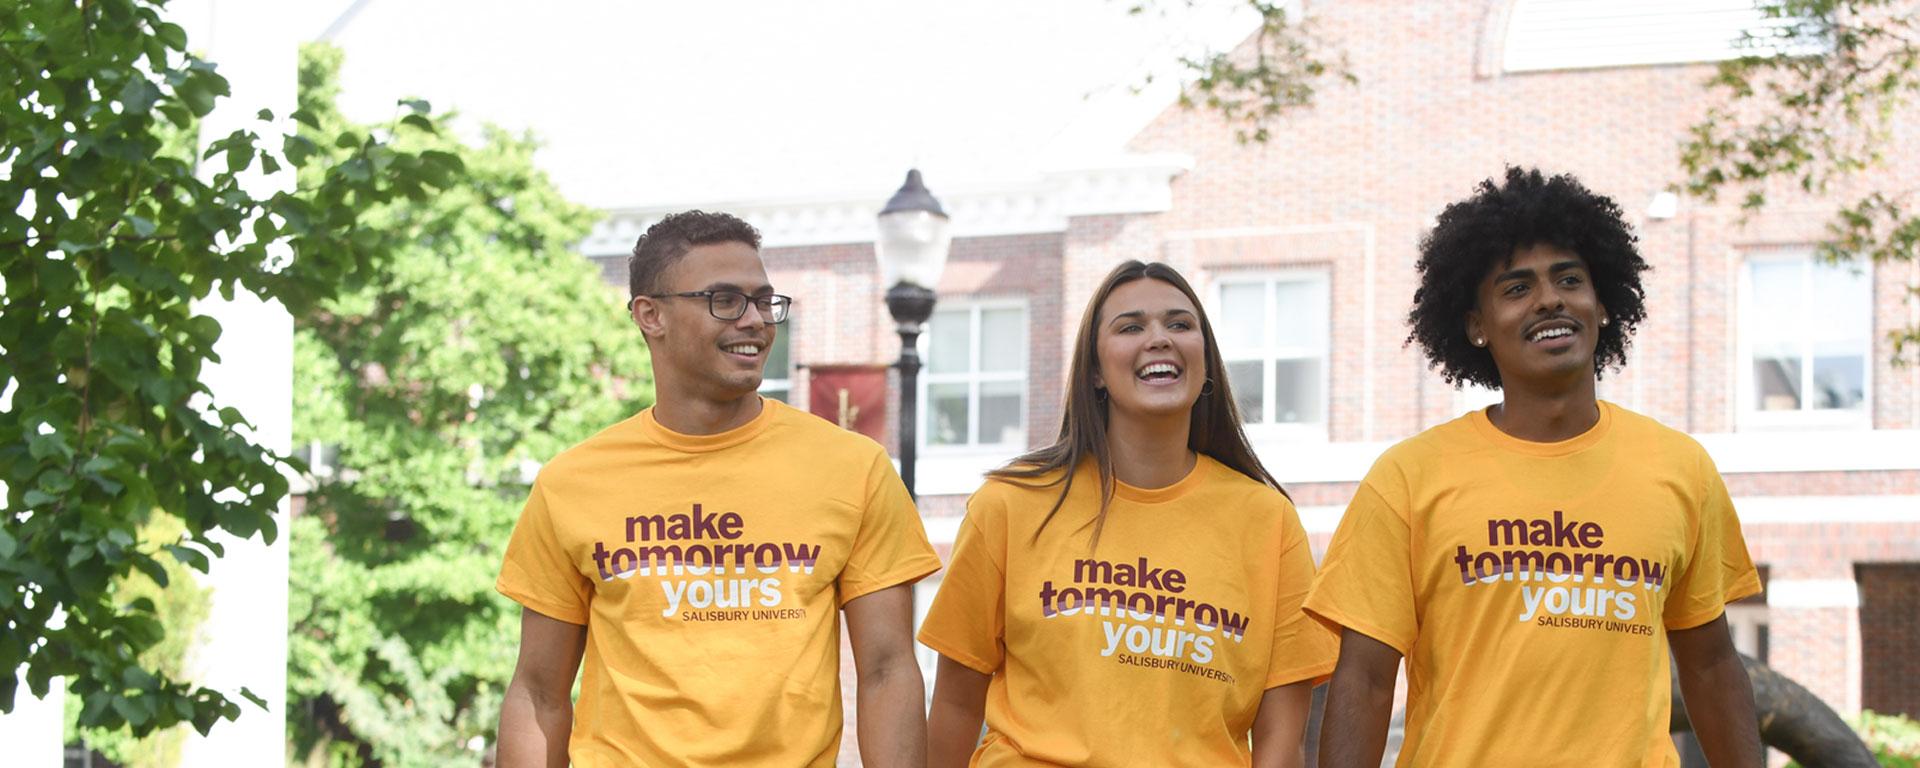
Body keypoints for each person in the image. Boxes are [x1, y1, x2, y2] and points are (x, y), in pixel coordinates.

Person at [1307, 168, 1763, 766]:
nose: (1550, 298)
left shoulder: (1681, 468)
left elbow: (1710, 664)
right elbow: (1364, 680)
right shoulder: (1409, 477)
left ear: (1602, 306)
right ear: (1475, 325)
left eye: (1569, 279)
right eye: (1516, 288)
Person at [493, 210, 941, 767]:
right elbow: (537, 692)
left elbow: (887, 670)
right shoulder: (572, 483)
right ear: (650, 315)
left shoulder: (854, 469)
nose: (754, 319)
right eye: (724, 300)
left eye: (763, 300)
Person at [920, 260, 1337, 768]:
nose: (1159, 338)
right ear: (1095, 370)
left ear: (1204, 362)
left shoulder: (1269, 522)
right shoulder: (1010, 504)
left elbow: (1280, 742)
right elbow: (956, 703)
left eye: (1180, 324)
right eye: (1131, 326)